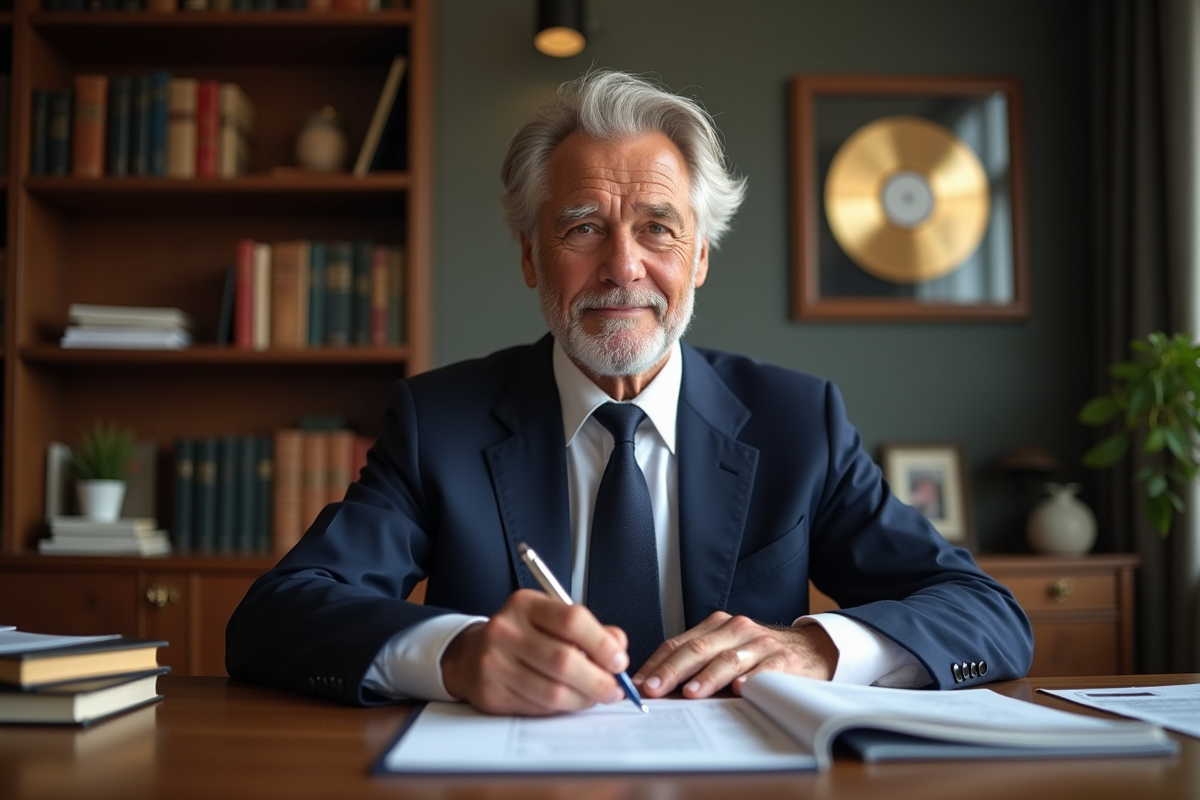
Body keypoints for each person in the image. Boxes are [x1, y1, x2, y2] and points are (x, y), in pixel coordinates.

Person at [225, 70, 1032, 715]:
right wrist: (456, 654)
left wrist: (818, 648)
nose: (622, 266)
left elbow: (984, 612)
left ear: (700, 257)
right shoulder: (439, 422)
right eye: (583, 227)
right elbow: (277, 616)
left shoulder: (798, 422)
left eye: (657, 227)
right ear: (531, 257)